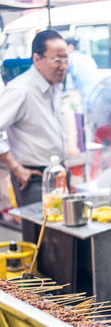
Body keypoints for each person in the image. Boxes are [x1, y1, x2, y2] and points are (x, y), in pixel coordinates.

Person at [0, 29, 68, 209]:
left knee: (60, 232)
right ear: (37, 60)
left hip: (57, 173)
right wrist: (16, 168)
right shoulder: (20, 89)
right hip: (34, 177)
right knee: (39, 235)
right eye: (57, 60)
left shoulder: (53, 85)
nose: (64, 66)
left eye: (66, 59)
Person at [65, 37, 99, 108]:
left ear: (70, 47)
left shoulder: (71, 58)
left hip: (85, 101)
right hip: (97, 99)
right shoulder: (88, 58)